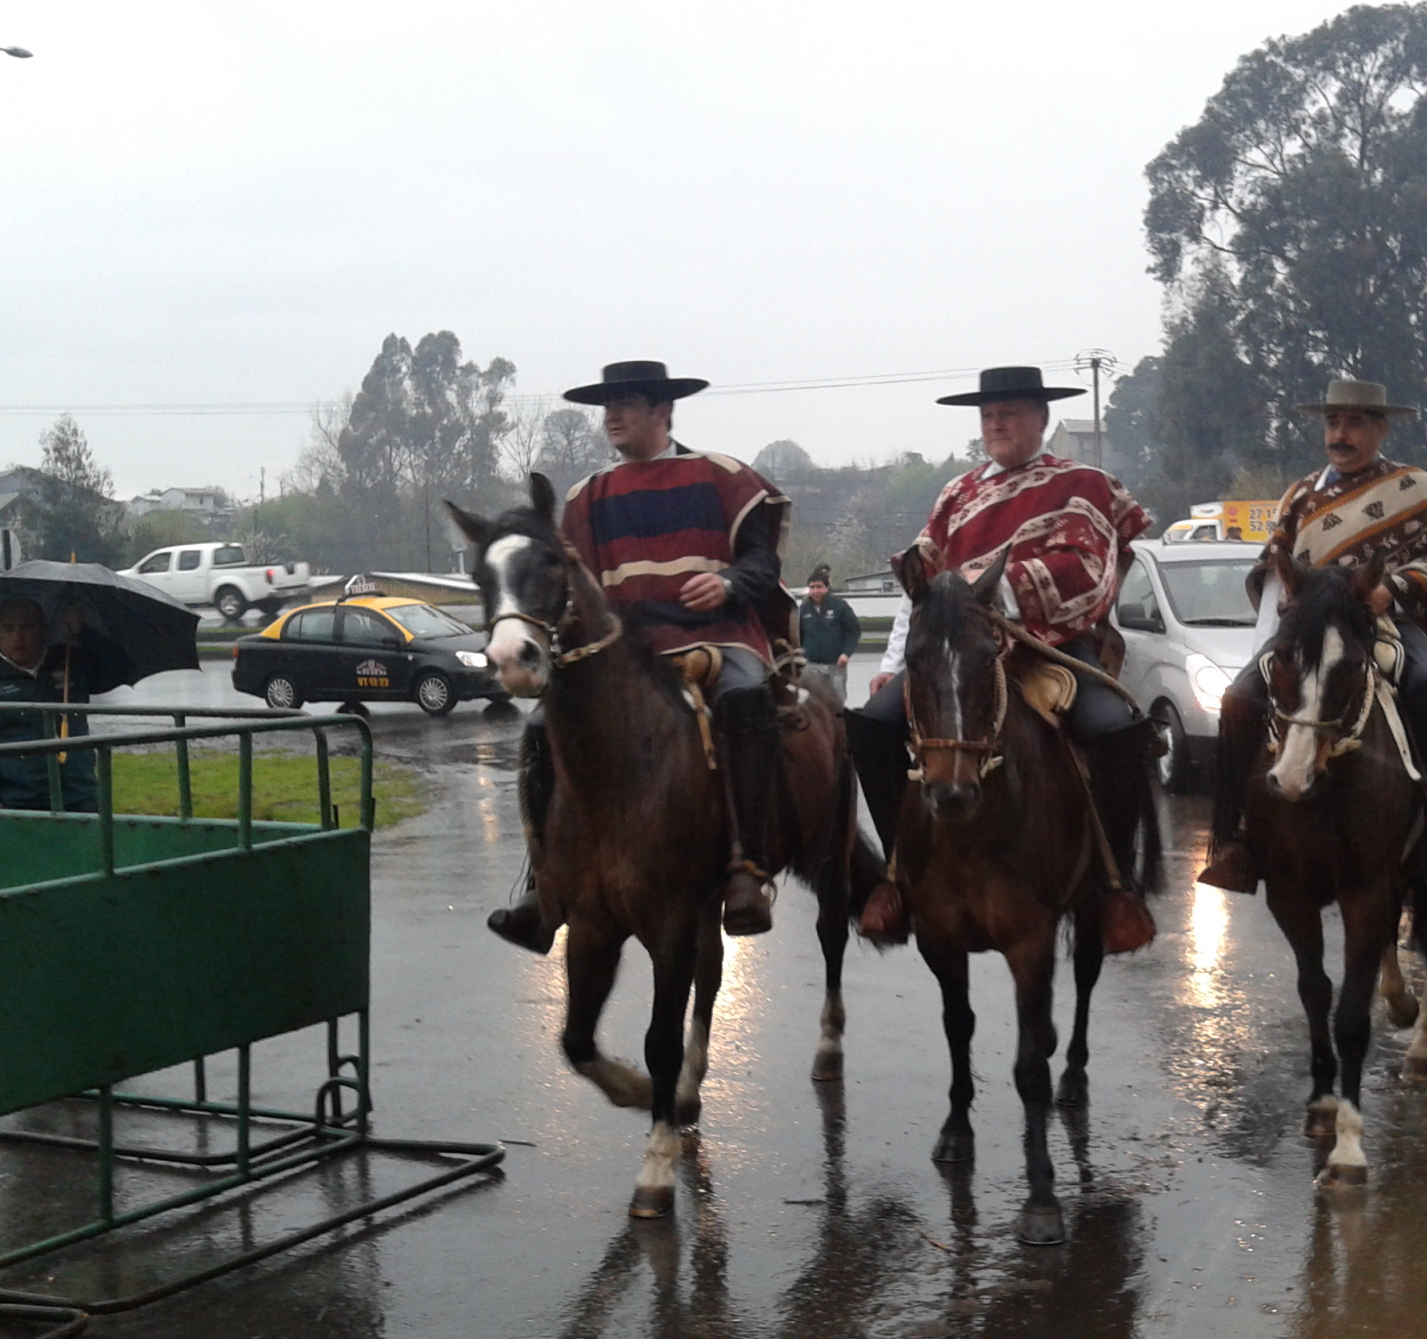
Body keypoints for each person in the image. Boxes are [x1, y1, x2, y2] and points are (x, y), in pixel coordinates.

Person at [487, 360, 790, 950]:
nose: (613, 417)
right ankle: (542, 887)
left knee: (746, 699)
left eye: (626, 404)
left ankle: (747, 871)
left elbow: (763, 564)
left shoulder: (724, 476)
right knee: (544, 727)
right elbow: (572, 590)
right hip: (625, 654)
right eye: (608, 407)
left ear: (663, 411)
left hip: (717, 637)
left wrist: (729, 584)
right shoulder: (587, 496)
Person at [850, 364, 1155, 948]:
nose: (997, 425)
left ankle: (1116, 885)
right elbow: (921, 586)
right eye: (989, 417)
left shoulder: (1083, 482)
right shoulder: (957, 494)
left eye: (1010, 414)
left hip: (1057, 647)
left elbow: (1088, 567)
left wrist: (992, 588)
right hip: (960, 655)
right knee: (870, 727)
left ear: (1040, 419)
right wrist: (893, 663)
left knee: (1116, 730)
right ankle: (897, 876)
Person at [1197, 377, 1427, 895]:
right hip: (1310, 633)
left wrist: (1390, 588)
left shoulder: (1416, 487)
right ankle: (1237, 838)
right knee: (1238, 699)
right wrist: (1278, 630)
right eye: (1333, 423)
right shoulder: (1300, 495)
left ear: (1380, 428)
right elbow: (1274, 569)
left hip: (1391, 623)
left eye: (1354, 423)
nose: (1340, 434)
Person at [0, 596, 100, 812]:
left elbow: (115, 668)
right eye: (9, 629)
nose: (18, 637)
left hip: (80, 794)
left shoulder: (70, 660)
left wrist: (83, 631)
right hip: (18, 802)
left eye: (27, 627)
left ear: (43, 630)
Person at [797, 564, 860, 697]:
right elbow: (799, 634)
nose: (815, 591)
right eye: (812, 587)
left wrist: (846, 654)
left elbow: (855, 631)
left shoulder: (840, 606)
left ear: (827, 587)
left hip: (835, 665)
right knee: (812, 703)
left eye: (819, 587)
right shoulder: (804, 608)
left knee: (836, 701)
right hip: (811, 665)